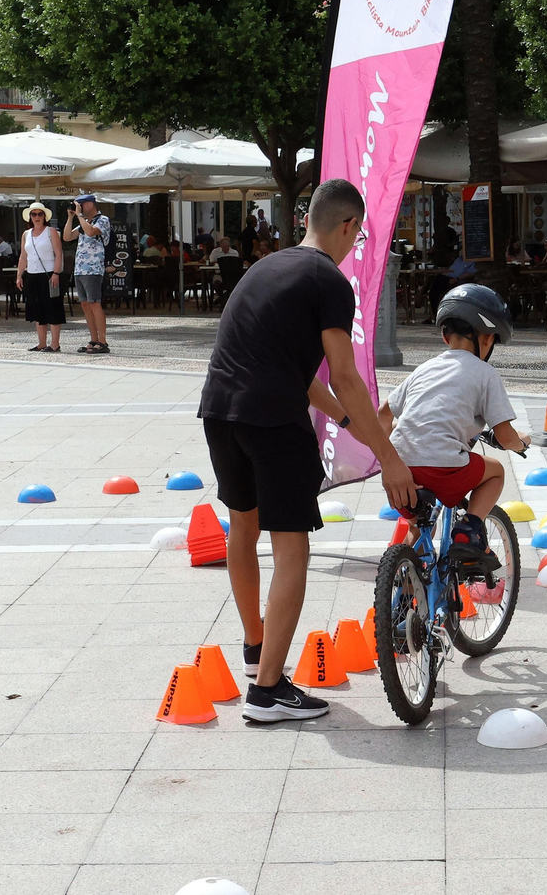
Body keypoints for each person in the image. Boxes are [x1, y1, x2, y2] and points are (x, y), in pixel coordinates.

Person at [199, 178, 416, 722]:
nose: (355, 245)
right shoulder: (330, 282)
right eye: (358, 235)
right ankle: (268, 692)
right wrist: (388, 456)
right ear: (346, 225)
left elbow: (292, 369)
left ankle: (256, 654)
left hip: (220, 411)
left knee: (243, 529)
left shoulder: (266, 267)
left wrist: (347, 423)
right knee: (292, 551)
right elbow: (343, 372)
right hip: (273, 422)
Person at [379, 285, 529, 572]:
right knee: (495, 470)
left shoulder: (423, 369)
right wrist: (522, 442)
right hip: (445, 470)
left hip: (400, 475)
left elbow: (382, 414)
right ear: (487, 339)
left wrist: (388, 457)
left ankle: (398, 588)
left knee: (418, 528)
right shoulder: (485, 373)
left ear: (444, 335)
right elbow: (505, 436)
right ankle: (470, 529)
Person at [64, 194, 112, 354]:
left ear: (90, 205)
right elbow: (67, 236)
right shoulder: (84, 223)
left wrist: (79, 216)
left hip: (93, 269)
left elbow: (91, 232)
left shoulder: (102, 220)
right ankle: (94, 339)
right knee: (85, 304)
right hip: (80, 268)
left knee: (94, 303)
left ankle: (103, 341)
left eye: (80, 205)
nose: (79, 208)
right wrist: (71, 218)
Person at [17, 202, 65, 352]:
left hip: (49, 274)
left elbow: (58, 253)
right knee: (37, 309)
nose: (37, 217)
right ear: (30, 217)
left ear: (44, 216)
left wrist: (56, 273)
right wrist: (19, 275)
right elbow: (23, 257)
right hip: (32, 275)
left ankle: (55, 343)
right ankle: (41, 342)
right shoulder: (26, 234)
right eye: (34, 214)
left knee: (53, 308)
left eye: (40, 214)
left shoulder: (51, 232)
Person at [426, 251, 476, 318]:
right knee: (434, 282)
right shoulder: (458, 259)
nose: (463, 250)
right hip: (448, 278)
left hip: (457, 281)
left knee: (435, 282)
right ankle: (432, 313)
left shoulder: (472, 261)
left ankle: (420, 295)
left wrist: (457, 279)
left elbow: (471, 273)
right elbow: (451, 270)